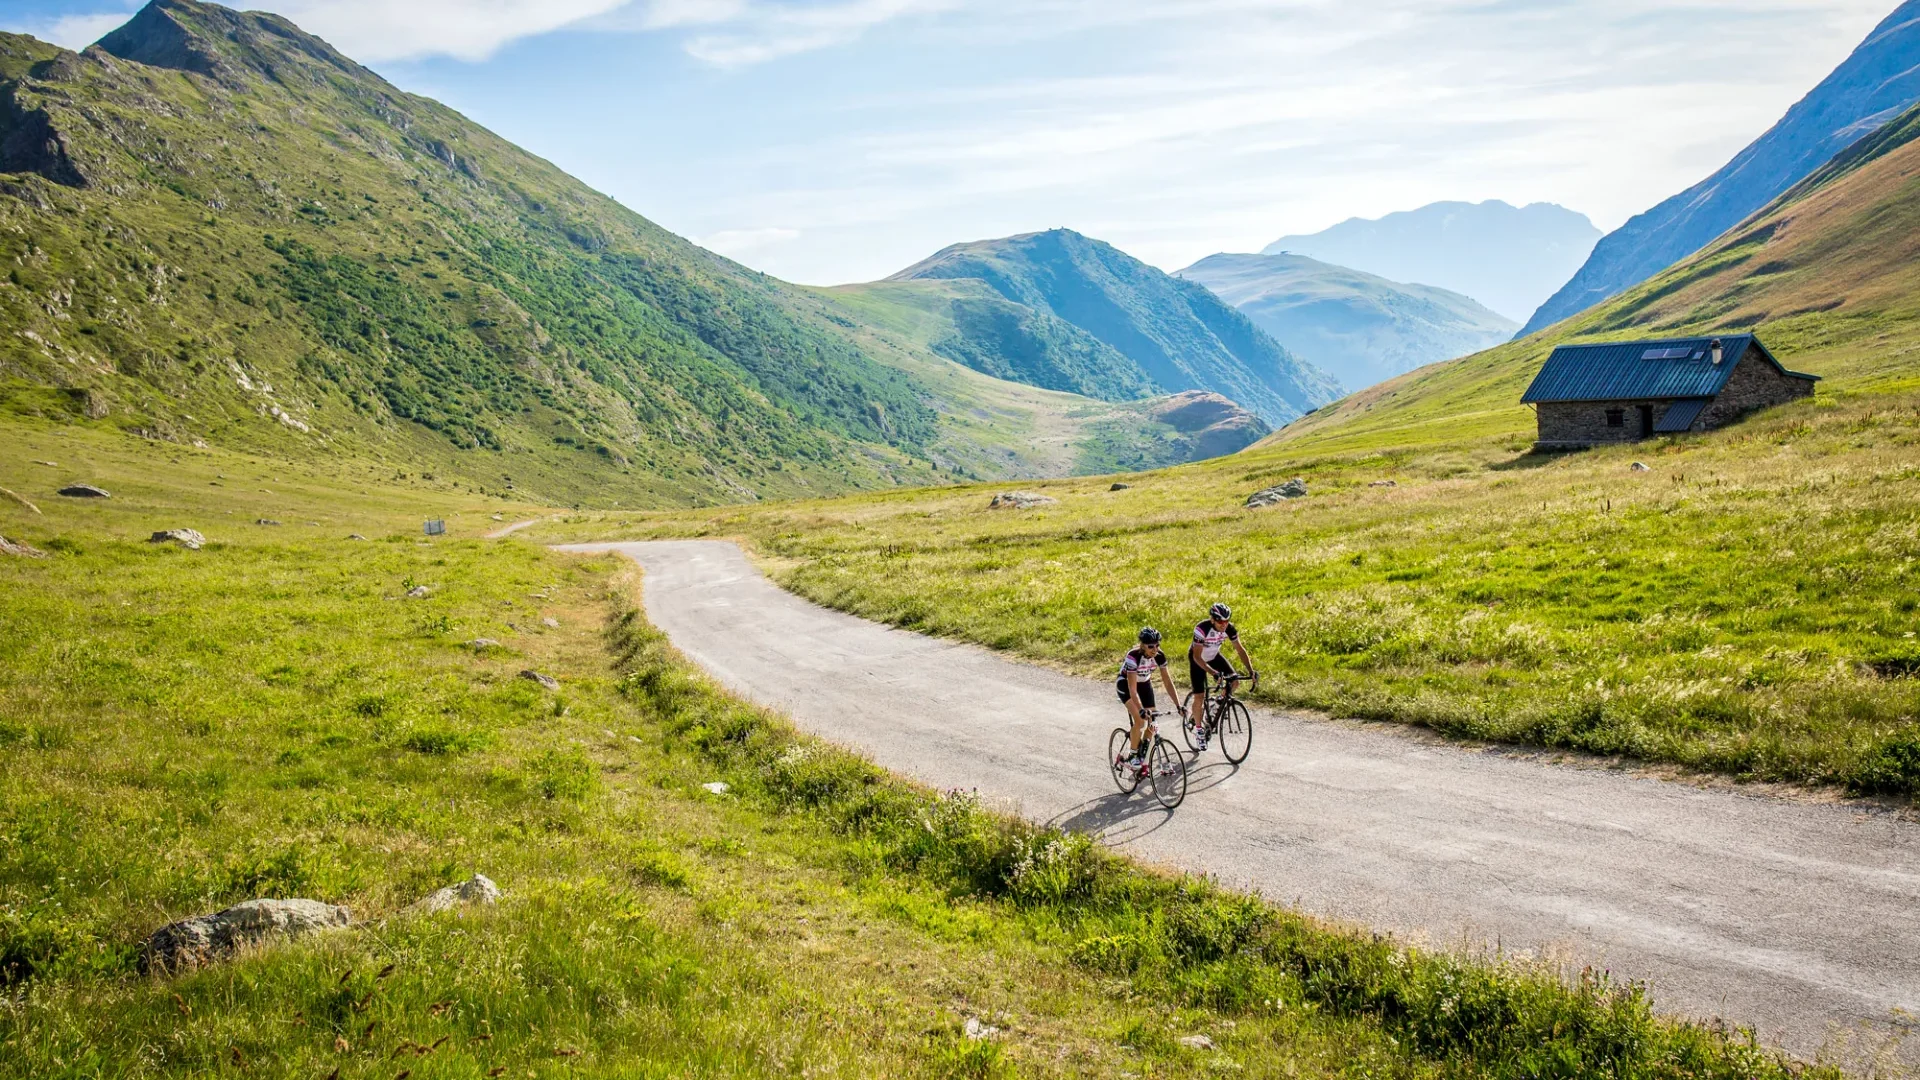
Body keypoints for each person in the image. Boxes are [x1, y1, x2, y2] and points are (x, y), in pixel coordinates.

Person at [1189, 602, 1255, 749]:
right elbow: (1197, 657)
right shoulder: (1202, 629)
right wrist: (1213, 672)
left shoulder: (1229, 629)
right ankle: (1199, 730)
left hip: (1213, 656)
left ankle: (1216, 704)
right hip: (1197, 660)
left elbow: (1240, 650)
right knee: (1199, 696)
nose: (1224, 624)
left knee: (1234, 681)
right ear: (1212, 619)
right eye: (1220, 621)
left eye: (1227, 621)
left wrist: (1251, 671)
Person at [1116, 627, 1179, 770]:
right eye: (1151, 646)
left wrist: (1178, 705)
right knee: (1140, 720)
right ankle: (1132, 757)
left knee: (1153, 722)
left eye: (1157, 645)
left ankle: (1141, 756)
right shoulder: (1133, 656)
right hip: (1126, 685)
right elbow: (1132, 689)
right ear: (1142, 645)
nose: (1155, 649)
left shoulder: (1159, 656)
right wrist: (1141, 710)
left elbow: (1168, 682)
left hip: (1144, 684)